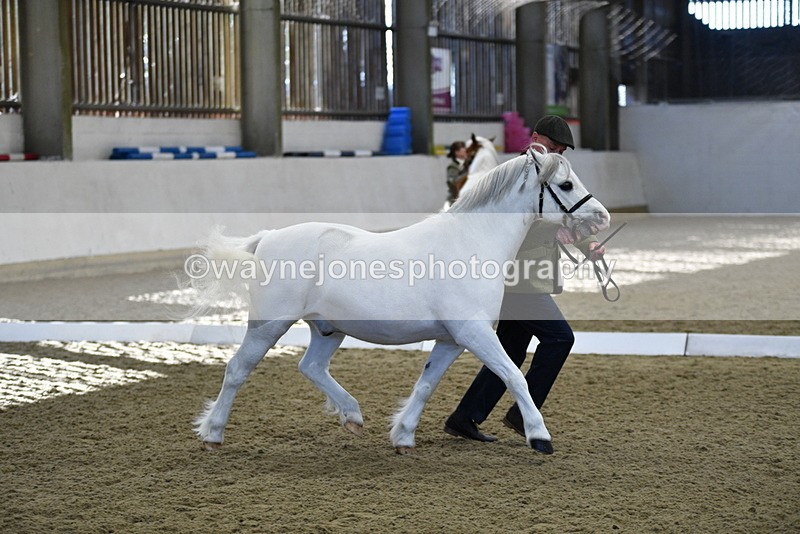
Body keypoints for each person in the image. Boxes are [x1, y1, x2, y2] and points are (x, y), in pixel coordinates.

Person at [443, 115, 605, 447]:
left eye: (561, 151)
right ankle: (521, 413)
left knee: (511, 350)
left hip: (529, 277)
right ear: (534, 138)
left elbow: (564, 214)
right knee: (560, 338)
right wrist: (555, 231)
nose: (556, 154)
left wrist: (587, 244)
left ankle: (465, 417)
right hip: (518, 279)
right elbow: (512, 226)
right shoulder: (517, 176)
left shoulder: (549, 174)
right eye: (552, 147)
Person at [445, 140, 468, 206]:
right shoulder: (452, 167)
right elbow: (453, 182)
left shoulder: (469, 164)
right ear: (457, 152)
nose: (466, 152)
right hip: (455, 200)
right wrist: (468, 174)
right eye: (464, 151)